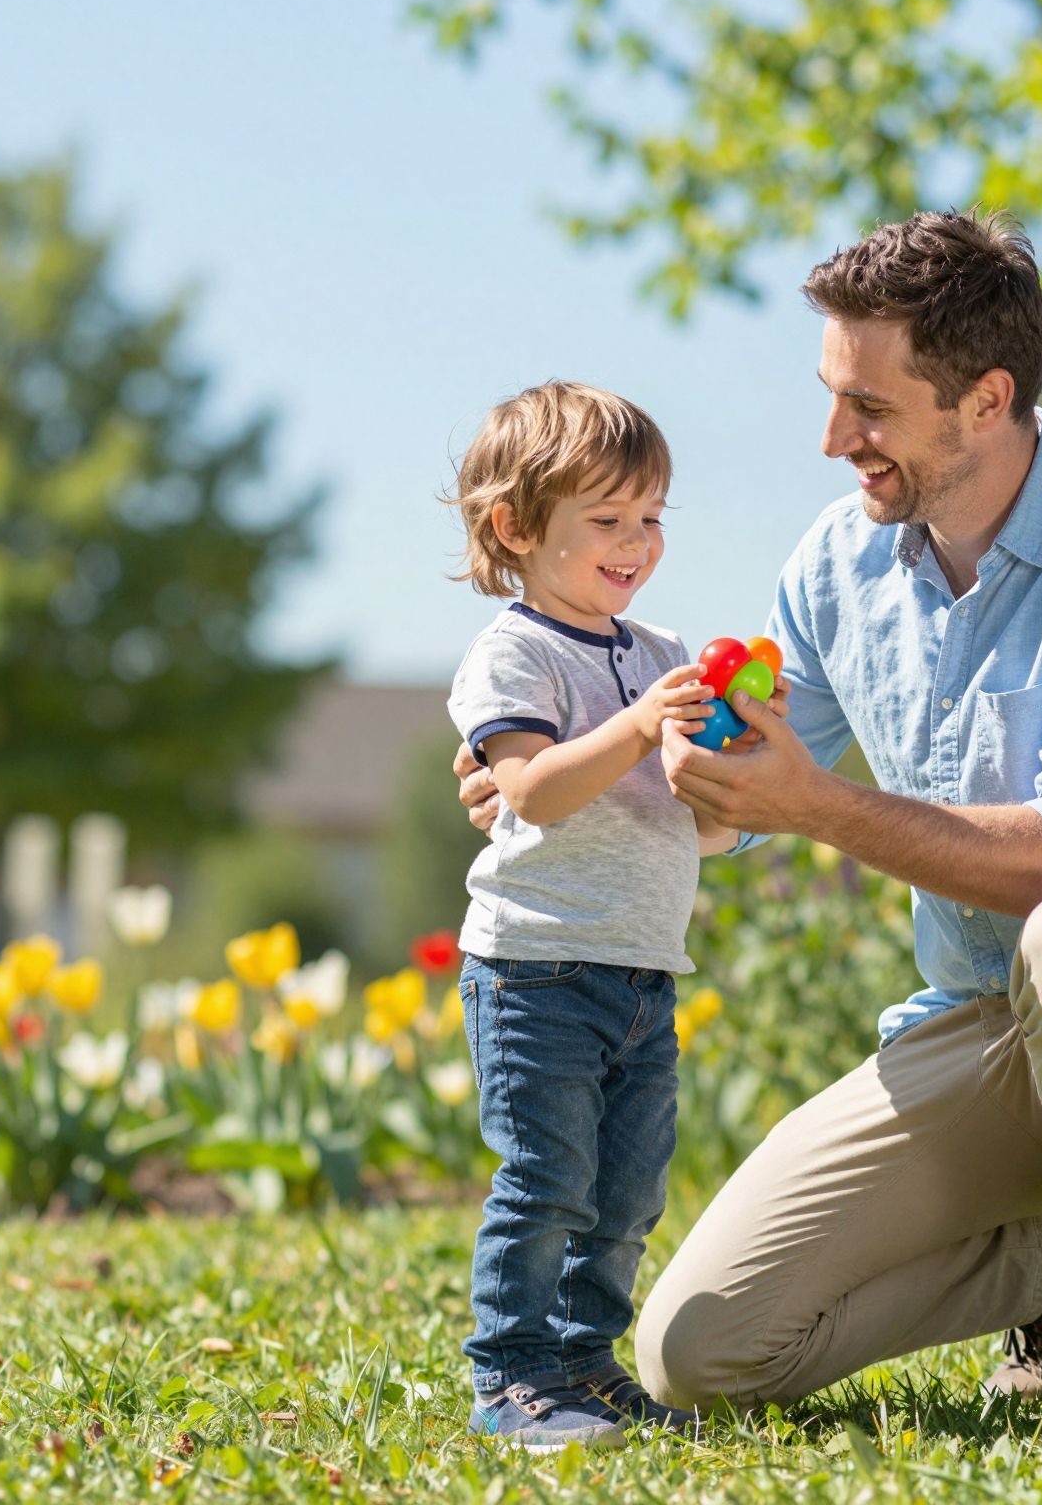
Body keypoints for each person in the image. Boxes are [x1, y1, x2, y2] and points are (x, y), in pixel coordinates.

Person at [455, 214, 1042, 1455]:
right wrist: (544, 758)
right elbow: (728, 785)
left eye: (866, 406)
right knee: (698, 1350)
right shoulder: (838, 567)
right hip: (982, 1035)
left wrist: (819, 805)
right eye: (828, 397)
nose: (829, 439)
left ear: (984, 399)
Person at [443, 381, 781, 1451]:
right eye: (606, 520)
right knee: (546, 1182)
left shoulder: (656, 647)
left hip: (641, 971)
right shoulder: (514, 654)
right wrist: (642, 723)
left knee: (627, 1193)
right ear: (515, 527)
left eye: (650, 518)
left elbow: (692, 822)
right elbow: (530, 794)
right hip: (535, 971)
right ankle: (511, 1374)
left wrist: (729, 771)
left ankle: (582, 1361)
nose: (635, 543)